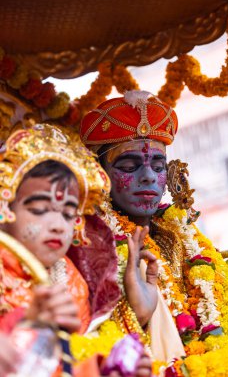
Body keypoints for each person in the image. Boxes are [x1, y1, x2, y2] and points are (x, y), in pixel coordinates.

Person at [80, 90, 228, 376]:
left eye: (157, 166)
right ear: (100, 173)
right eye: (129, 165)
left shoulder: (184, 235)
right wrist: (142, 315)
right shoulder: (93, 245)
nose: (148, 176)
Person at [0, 123, 153, 377]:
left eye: (69, 214)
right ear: (6, 210)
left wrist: (110, 367)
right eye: (39, 209)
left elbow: (69, 362)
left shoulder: (75, 283)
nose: (58, 226)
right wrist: (25, 325)